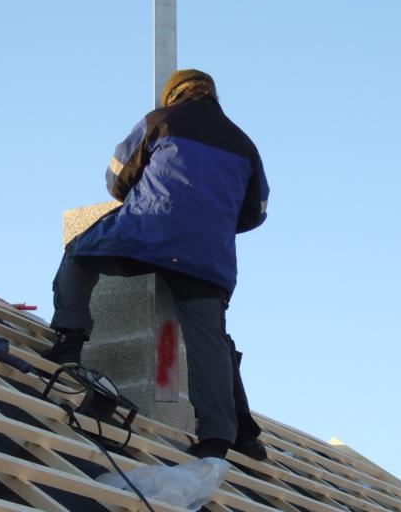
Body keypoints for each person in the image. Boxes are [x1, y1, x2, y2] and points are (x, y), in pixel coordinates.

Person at [44, 69, 270, 460]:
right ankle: (220, 437)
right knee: (209, 341)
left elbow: (117, 177)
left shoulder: (161, 121)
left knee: (78, 253)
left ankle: (69, 342)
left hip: (147, 233)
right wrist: (211, 220)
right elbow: (256, 211)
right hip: (207, 257)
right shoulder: (244, 145)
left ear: (174, 95)